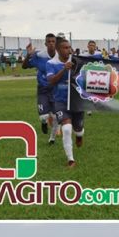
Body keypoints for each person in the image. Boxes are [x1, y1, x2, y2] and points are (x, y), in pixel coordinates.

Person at [46, 37, 85, 166]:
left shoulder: (77, 62)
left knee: (78, 130)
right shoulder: (51, 63)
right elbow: (51, 81)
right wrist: (64, 69)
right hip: (60, 101)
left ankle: (79, 135)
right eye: (65, 47)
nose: (68, 50)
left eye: (69, 47)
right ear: (58, 49)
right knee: (67, 129)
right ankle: (70, 160)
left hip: (77, 101)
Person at [23, 33, 58, 142]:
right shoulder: (40, 56)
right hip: (43, 90)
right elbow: (24, 66)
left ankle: (52, 138)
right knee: (44, 117)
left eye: (53, 41)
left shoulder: (60, 57)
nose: (51, 44)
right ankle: (44, 123)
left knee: (56, 117)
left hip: (56, 91)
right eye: (49, 42)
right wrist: (28, 55)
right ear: (45, 43)